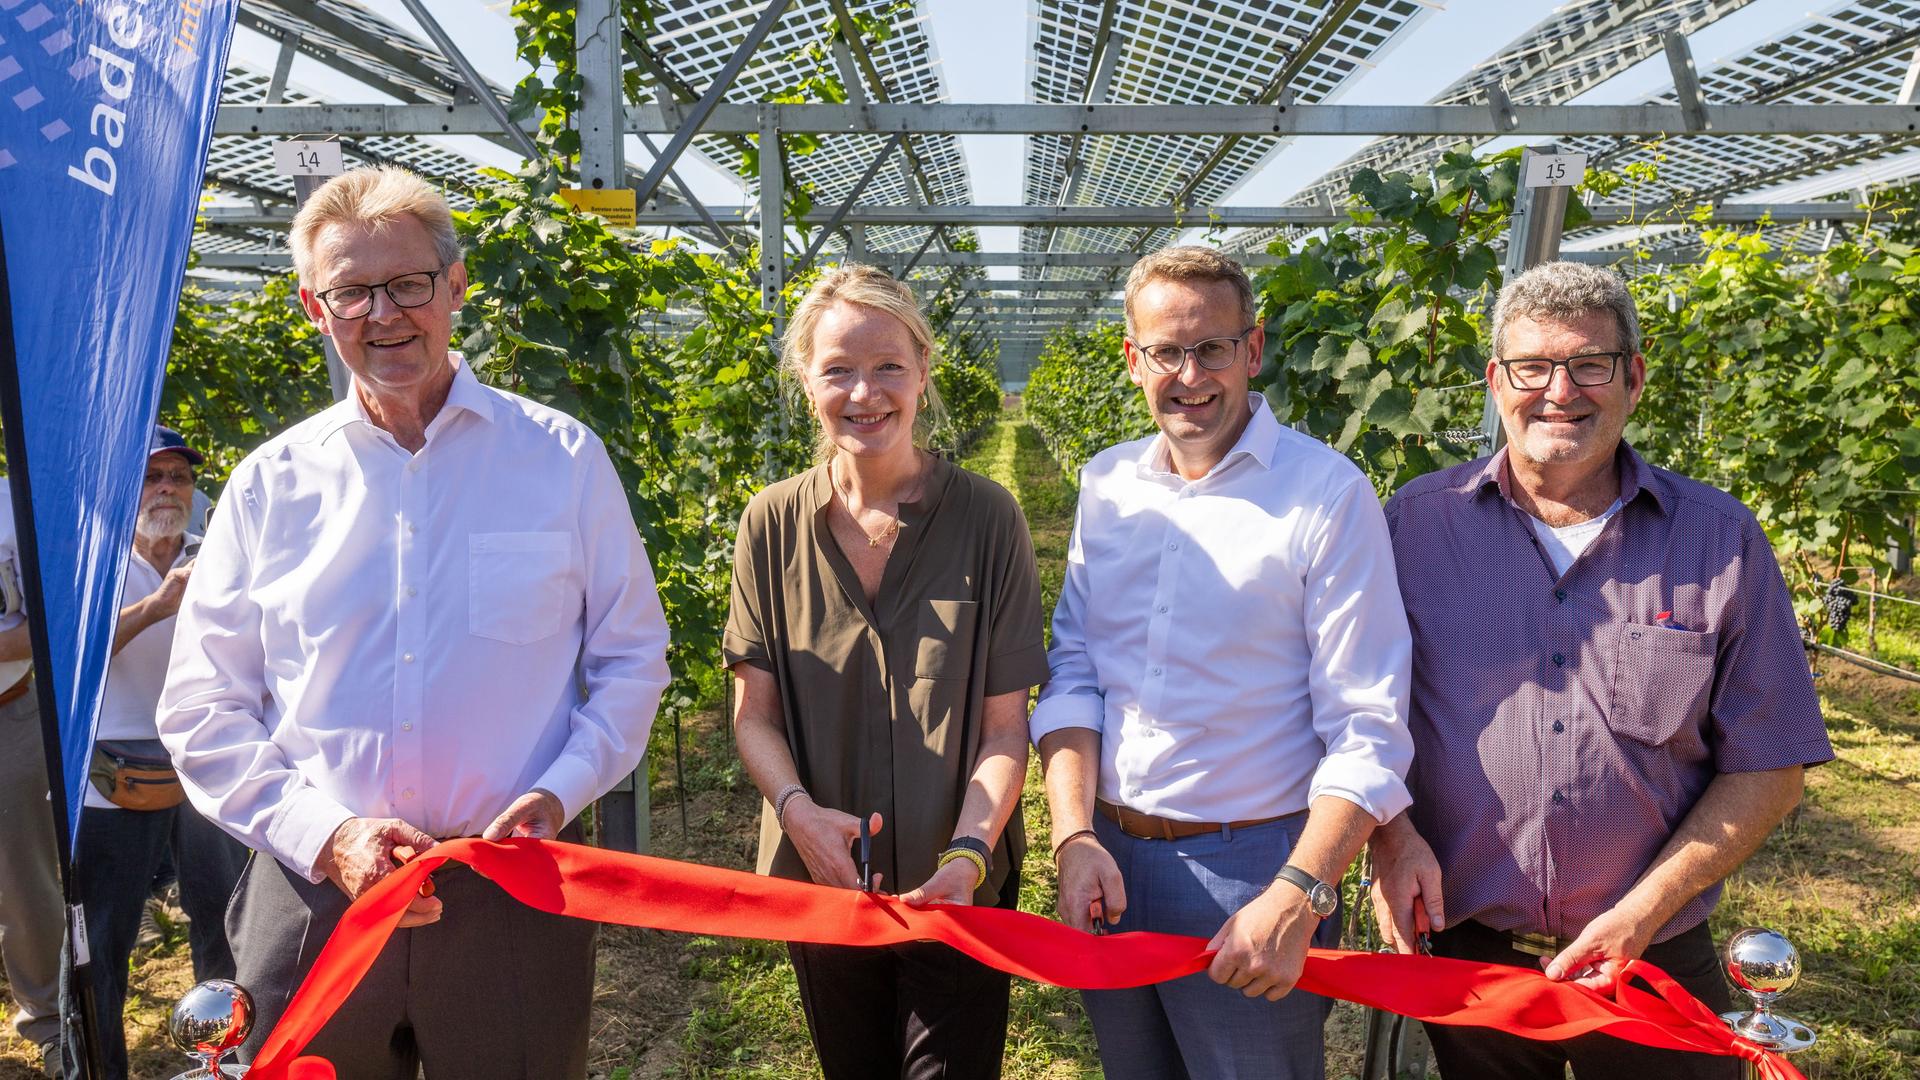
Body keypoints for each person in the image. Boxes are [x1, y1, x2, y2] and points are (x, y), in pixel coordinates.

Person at [157, 165, 672, 1078]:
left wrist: (563, 788)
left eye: (407, 284)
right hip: (316, 890)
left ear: (457, 285)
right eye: (352, 291)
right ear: (314, 307)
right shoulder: (270, 485)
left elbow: (632, 657)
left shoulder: (559, 459)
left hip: (509, 886)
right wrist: (328, 835)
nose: (383, 314)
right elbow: (203, 706)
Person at [1369, 260, 1833, 1079]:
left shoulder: (1717, 540)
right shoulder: (1412, 529)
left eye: (1590, 364)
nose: (1559, 391)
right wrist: (1391, 837)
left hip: (1653, 954)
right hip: (1473, 952)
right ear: (1494, 382)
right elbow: (1357, 715)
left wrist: (1641, 911)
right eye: (1532, 368)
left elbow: (1770, 763)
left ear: (1634, 377)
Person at [1030, 246, 1415, 1079]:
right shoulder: (1108, 485)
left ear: (1255, 350)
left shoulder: (1325, 494)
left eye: (1212, 348)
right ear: (1133, 361)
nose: (1189, 374)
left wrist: (1299, 893)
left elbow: (1368, 726)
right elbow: (1074, 673)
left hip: (1254, 869)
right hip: (1111, 861)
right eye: (1165, 351)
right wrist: (1072, 837)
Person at [725, 265, 1047, 1079]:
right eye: (837, 368)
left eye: (888, 367)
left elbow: (1004, 727)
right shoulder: (769, 522)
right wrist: (798, 816)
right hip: (822, 883)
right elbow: (752, 713)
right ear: (807, 380)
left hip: (958, 887)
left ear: (923, 373)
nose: (864, 392)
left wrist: (970, 854)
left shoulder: (988, 518)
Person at [71, 427, 249, 1080]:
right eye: (152, 477)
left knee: (226, 917)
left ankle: (225, 1059)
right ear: (124, 491)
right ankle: (100, 1068)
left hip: (208, 760)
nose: (168, 488)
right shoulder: (94, 562)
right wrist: (157, 605)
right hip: (117, 774)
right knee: (107, 938)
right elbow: (73, 662)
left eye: (178, 475)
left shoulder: (218, 554)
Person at [0, 476, 65, 1078]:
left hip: (11, 709)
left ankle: (50, 1024)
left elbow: (47, 618)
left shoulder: (13, 499)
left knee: (27, 884)